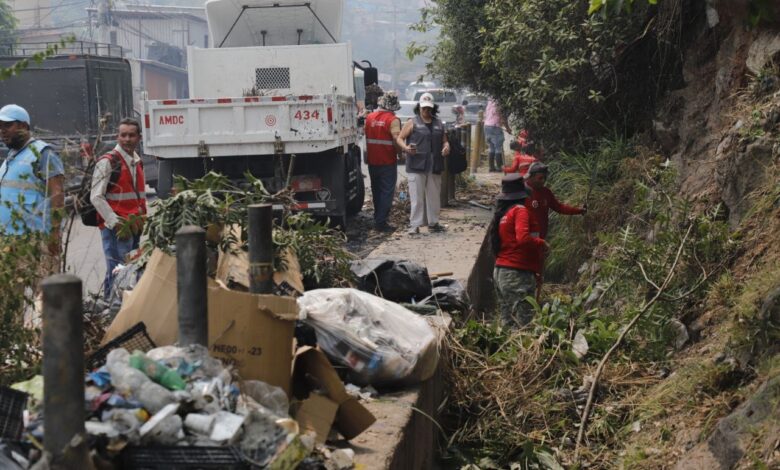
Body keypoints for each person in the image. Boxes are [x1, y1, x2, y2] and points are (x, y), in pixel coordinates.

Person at [0, 104, 65, 274]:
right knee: (9, 298)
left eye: (7, 125)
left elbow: (57, 195)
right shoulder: (10, 158)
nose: (2, 131)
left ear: (24, 126)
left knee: (44, 297)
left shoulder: (42, 153)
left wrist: (54, 234)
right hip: (9, 241)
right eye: (0, 126)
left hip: (37, 241)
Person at [91, 118, 147, 298]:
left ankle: (112, 306)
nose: (127, 139)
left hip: (134, 227)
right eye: (123, 135)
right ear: (118, 136)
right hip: (116, 228)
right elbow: (96, 197)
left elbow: (139, 197)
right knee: (117, 270)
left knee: (126, 270)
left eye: (131, 135)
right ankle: (111, 307)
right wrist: (115, 223)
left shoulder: (137, 162)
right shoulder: (108, 162)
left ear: (139, 137)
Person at [491, 174, 547, 327]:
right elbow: (523, 238)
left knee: (507, 323)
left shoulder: (504, 213)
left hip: (501, 272)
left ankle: (508, 349)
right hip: (516, 274)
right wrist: (541, 243)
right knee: (523, 326)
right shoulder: (520, 210)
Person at [397, 92, 451, 235]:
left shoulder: (439, 123)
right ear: (419, 108)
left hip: (434, 165)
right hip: (416, 165)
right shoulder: (412, 122)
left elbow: (444, 140)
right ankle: (415, 225)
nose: (426, 111)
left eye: (429, 108)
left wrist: (446, 147)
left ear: (433, 108)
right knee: (417, 198)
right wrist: (406, 148)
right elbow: (400, 138)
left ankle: (433, 223)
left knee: (433, 197)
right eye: (423, 108)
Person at [364, 91, 403, 232]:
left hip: (373, 162)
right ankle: (381, 222)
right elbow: (396, 139)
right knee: (387, 192)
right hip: (387, 161)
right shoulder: (393, 120)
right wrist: (400, 154)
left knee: (376, 191)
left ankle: (377, 217)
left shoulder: (369, 117)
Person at [524, 162, 586, 240]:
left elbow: (559, 207)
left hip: (541, 238)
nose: (543, 181)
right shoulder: (521, 192)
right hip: (525, 239)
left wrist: (579, 210)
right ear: (531, 177)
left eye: (545, 178)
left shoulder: (546, 192)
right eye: (540, 178)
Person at [483, 98, 511, 172]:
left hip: (487, 126)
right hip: (495, 127)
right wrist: (508, 128)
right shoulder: (500, 103)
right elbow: (503, 118)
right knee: (498, 148)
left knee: (491, 148)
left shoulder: (489, 102)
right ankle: (499, 167)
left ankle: (491, 167)